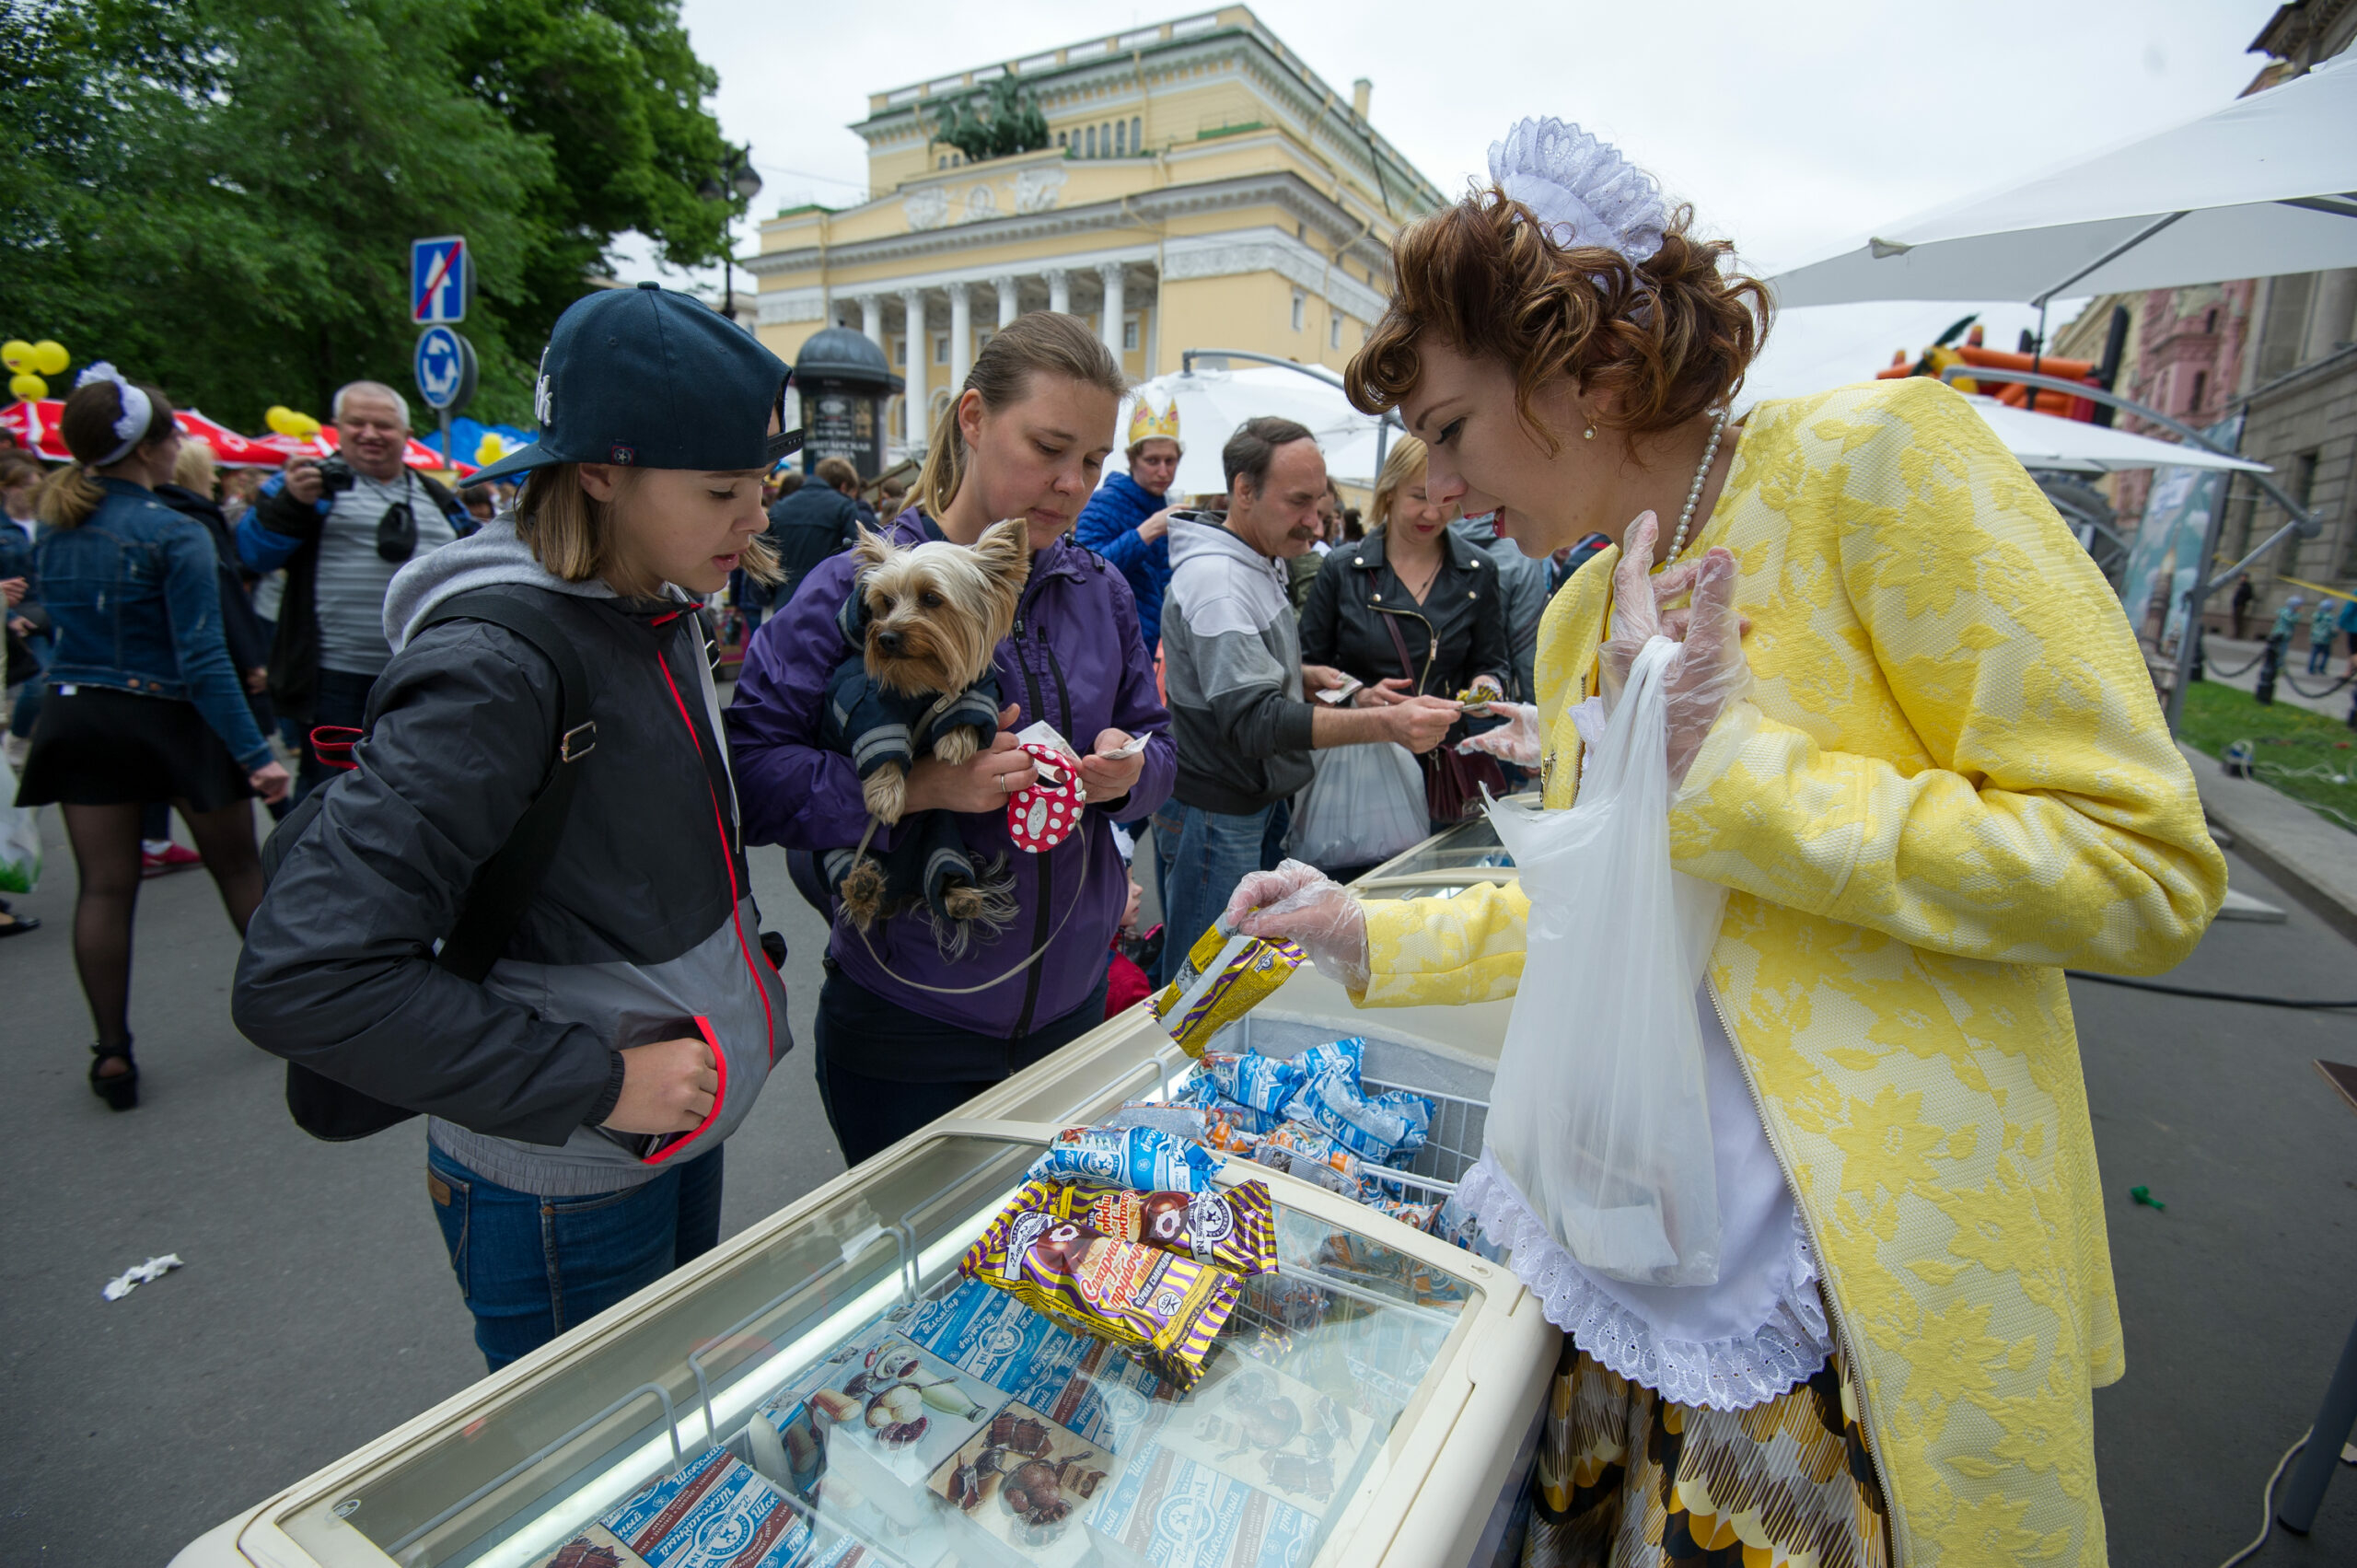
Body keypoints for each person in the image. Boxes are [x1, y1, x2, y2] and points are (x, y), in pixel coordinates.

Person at [1228, 118, 2225, 1567]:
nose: (1433, 486)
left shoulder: (1881, 465)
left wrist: (1743, 776)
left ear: (1587, 364)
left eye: (1448, 427)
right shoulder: (1575, 613)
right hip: (1627, 1248)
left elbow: (2144, 867)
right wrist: (1370, 931)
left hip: (1853, 1307)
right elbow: (1609, 906)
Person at [233, 284, 796, 1371]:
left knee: (659, 1436)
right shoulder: (502, 666)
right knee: (587, 1485)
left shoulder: (653, 603)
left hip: (660, 1131)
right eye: (725, 486)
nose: (758, 515)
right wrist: (599, 1083)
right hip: (570, 1170)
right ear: (599, 475)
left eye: (761, 482)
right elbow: (304, 974)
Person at [728, 312, 1173, 1168]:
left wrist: (1128, 773)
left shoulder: (1100, 590)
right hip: (912, 1035)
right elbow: (750, 778)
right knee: (924, 1293)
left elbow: (1161, 747)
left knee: (1052, 1276)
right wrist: (927, 784)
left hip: (1072, 1015)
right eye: (1049, 447)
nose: (1073, 483)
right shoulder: (858, 586)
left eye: (1093, 461)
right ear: (973, 418)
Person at [17, 367, 291, 1109]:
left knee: (105, 887)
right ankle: (298, 1015)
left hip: (77, 714)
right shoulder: (177, 528)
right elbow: (203, 660)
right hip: (170, 717)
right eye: (173, 438)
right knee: (238, 870)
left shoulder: (55, 522)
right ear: (152, 446)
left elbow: (52, 623)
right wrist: (258, 756)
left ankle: (111, 1051)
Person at [1151, 416, 1458, 979]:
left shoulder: (1254, 557)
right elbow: (1253, 719)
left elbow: (1239, 673)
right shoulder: (1219, 580)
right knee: (1203, 980)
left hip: (1248, 800)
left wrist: (1306, 674)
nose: (1315, 524)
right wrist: (1388, 723)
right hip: (1220, 809)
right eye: (1299, 503)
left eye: (1319, 502)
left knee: (1237, 966)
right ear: (1244, 491)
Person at [240, 381, 474, 803]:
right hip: (334, 675)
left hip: (420, 673)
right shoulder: (303, 487)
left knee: (417, 789)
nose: (370, 433)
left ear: (405, 434)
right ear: (337, 428)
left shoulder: (437, 496)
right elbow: (253, 555)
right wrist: (294, 504)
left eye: (383, 425)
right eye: (357, 423)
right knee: (327, 794)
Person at [1299, 434, 1511, 845]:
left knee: (1441, 900)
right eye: (1419, 495)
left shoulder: (1477, 569)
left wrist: (1487, 688)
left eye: (1447, 498)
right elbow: (1304, 668)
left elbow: (1492, 661)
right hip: (1363, 768)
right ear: (1390, 490)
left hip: (1448, 768)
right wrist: (1356, 695)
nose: (1432, 511)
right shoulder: (1344, 569)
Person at [1074, 395, 1181, 656]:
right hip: (1112, 646)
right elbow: (1083, 573)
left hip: (1158, 650)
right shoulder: (1102, 503)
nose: (1163, 471)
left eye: (1170, 461)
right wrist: (1147, 532)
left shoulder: (1166, 505)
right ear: (1133, 461)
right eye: (1153, 461)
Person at [1454, 505, 1547, 702]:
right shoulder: (1521, 559)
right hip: (1488, 699)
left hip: (1419, 701)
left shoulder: (1430, 548)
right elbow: (1528, 650)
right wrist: (1538, 718)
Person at [762, 455, 870, 610]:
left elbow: (764, 555)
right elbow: (857, 557)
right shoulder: (844, 507)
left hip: (786, 599)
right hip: (829, 599)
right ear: (844, 486)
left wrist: (769, 593)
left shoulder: (780, 508)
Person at [2309, 594, 2340, 674]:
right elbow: (2333, 629)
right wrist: (2335, 636)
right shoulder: (2331, 617)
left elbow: (2313, 626)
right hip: (2325, 638)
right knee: (2326, 654)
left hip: (2315, 637)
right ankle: (2321, 668)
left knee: (2314, 653)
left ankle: (2311, 668)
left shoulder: (2316, 615)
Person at [2230, 572, 2255, 639]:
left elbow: (2249, 596)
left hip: (2241, 604)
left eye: (2244, 577)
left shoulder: (2247, 586)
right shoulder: (2241, 585)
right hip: (2236, 604)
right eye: (2242, 577)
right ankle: (2235, 634)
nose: (2242, 578)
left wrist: (2242, 600)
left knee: (2238, 620)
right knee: (2235, 619)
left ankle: (2237, 635)